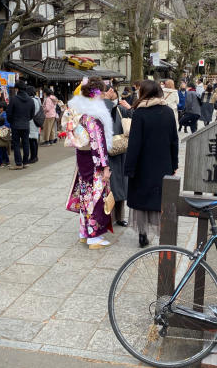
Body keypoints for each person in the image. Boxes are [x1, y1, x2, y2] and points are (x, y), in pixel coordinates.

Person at [125, 80, 178, 247]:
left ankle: (142, 234)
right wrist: (174, 164)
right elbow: (174, 141)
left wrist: (129, 167)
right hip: (163, 163)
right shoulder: (168, 112)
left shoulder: (140, 113)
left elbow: (134, 143)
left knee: (142, 198)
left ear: (143, 93)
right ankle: (164, 232)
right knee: (160, 197)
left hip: (143, 164)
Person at [65, 77, 114, 249]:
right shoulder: (94, 117)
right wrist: (105, 167)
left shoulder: (82, 115)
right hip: (94, 164)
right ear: (97, 94)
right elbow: (98, 145)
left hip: (83, 160)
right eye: (102, 92)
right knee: (95, 198)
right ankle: (94, 236)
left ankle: (84, 233)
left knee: (86, 197)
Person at [104, 84, 131, 227]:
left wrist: (130, 108)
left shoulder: (121, 109)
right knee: (110, 185)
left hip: (121, 150)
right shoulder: (102, 108)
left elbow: (132, 120)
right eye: (110, 91)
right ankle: (108, 216)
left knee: (120, 184)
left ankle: (119, 217)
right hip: (107, 152)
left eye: (113, 91)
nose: (112, 93)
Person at [7, 81, 35, 170]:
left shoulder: (14, 99)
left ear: (17, 89)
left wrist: (11, 121)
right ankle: (25, 162)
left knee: (16, 144)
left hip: (15, 124)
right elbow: (32, 114)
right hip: (26, 124)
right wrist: (26, 120)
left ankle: (18, 163)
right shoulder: (31, 100)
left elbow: (9, 113)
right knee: (26, 143)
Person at [27, 85, 41, 164]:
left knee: (32, 140)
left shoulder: (31, 100)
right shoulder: (37, 99)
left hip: (32, 121)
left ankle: (33, 157)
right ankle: (35, 156)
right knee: (34, 140)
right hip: (36, 121)